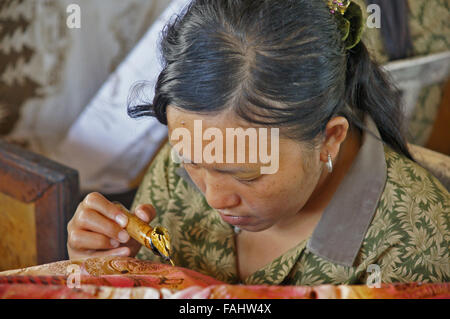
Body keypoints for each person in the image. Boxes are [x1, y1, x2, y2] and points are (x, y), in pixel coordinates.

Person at [67, 0, 449, 285]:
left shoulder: (416, 247)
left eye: (246, 176)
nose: (214, 198)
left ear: (329, 140)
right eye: (192, 162)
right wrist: (102, 267)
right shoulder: (186, 160)